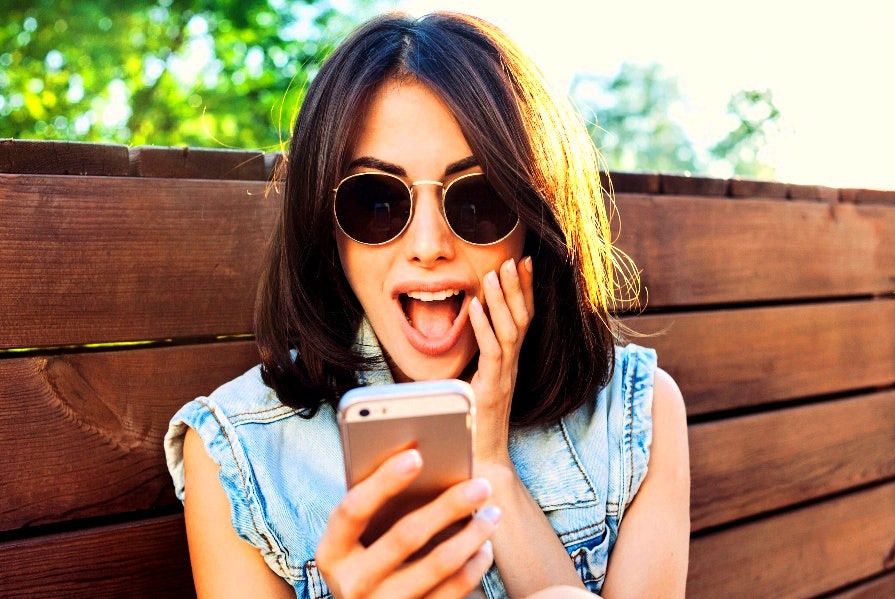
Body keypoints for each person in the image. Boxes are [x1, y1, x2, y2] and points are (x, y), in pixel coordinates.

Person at [165, 11, 689, 599]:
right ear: (324, 226)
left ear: (534, 222)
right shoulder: (239, 453)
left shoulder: (635, 413)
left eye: (478, 199)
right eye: (377, 202)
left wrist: (491, 466)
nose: (429, 246)